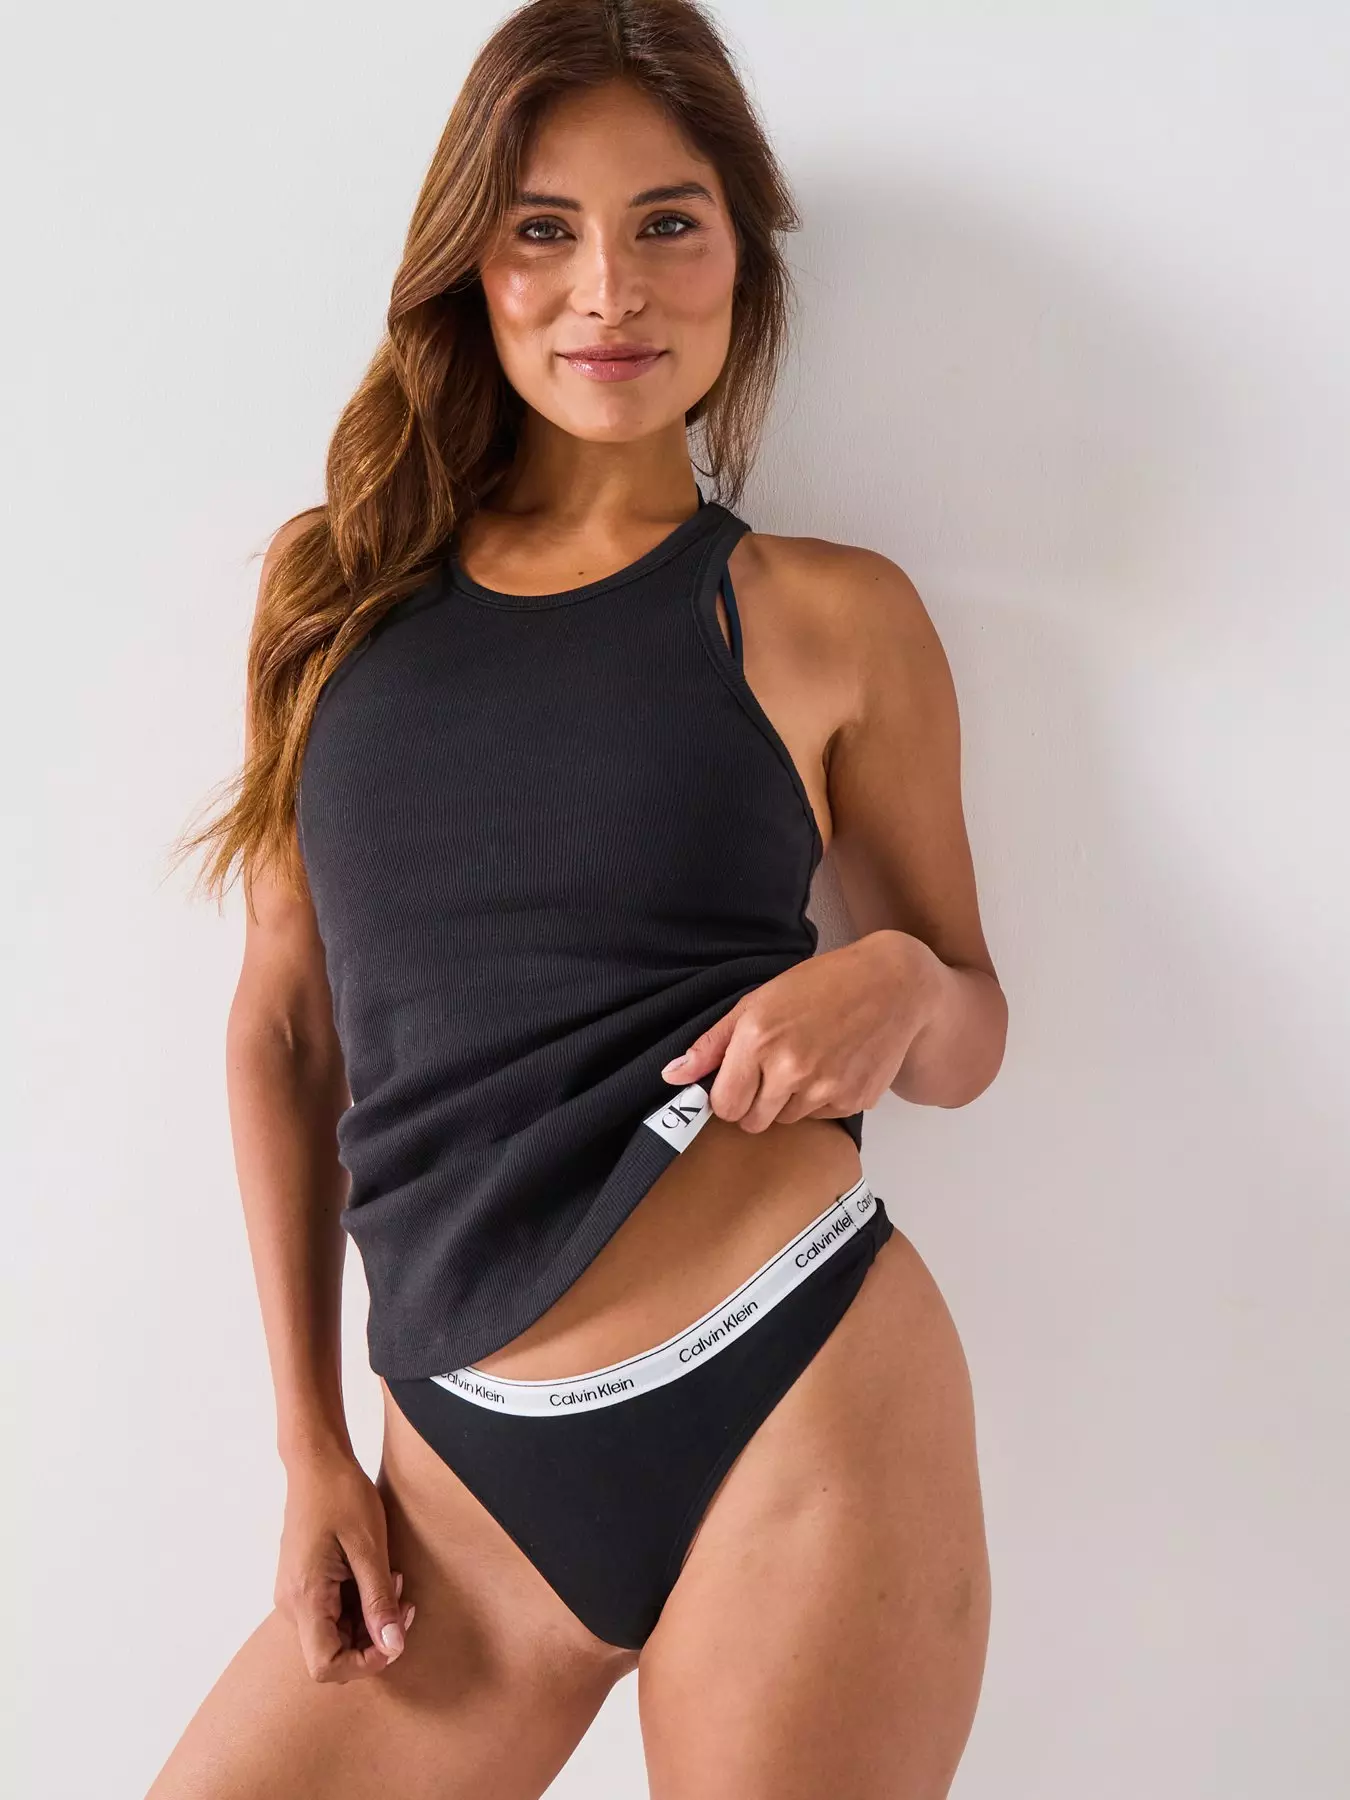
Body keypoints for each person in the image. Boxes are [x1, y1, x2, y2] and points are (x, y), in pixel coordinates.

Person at [155, 1, 1006, 1794]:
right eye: (542, 229)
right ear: (471, 263)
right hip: (458, 1482)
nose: (607, 291)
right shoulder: (331, 596)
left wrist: (895, 979)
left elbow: (966, 1031)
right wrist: (311, 1447)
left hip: (798, 1383)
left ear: (739, 258)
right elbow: (286, 1027)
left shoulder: (827, 613)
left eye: (665, 224)